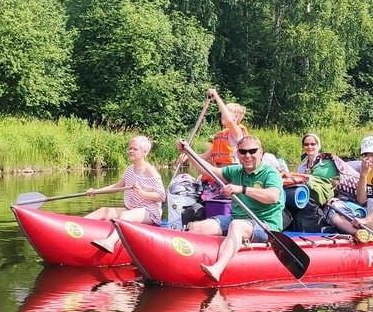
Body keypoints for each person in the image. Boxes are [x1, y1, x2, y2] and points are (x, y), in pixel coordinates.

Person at [184, 135, 284, 282]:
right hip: (237, 218)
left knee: (237, 226)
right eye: (243, 152)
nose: (247, 155)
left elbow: (273, 196)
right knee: (197, 227)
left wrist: (242, 189)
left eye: (252, 151)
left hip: (265, 225)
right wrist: (188, 152)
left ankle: (218, 268)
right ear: (238, 153)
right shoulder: (236, 170)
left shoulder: (270, 173)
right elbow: (208, 170)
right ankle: (186, 263)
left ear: (261, 152)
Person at [86, 135, 166, 252]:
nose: (131, 151)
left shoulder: (150, 171)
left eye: (135, 149)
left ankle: (110, 242)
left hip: (149, 212)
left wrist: (141, 193)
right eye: (130, 148)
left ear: (145, 152)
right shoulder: (129, 169)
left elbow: (162, 196)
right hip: (132, 208)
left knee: (125, 216)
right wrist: (96, 191)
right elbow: (117, 187)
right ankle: (73, 227)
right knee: (103, 211)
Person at [201, 88, 249, 180]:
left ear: (236, 116)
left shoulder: (238, 132)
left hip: (232, 175)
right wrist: (187, 154)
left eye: (227, 111)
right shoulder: (220, 136)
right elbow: (205, 156)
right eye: (223, 111)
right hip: (219, 175)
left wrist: (216, 97)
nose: (223, 113)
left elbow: (229, 121)